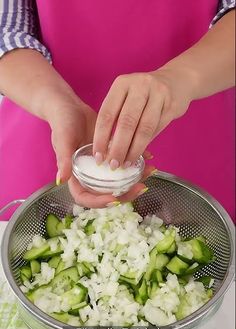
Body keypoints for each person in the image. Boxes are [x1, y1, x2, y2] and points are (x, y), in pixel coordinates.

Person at [0, 1, 235, 220]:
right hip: (48, 133)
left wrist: (181, 78)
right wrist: (57, 103)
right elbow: (7, 32)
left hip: (199, 145)